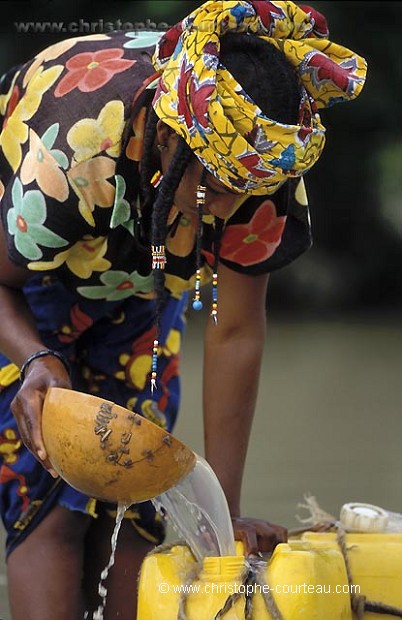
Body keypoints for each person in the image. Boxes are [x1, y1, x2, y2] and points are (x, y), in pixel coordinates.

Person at [0, 1, 366, 618]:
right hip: (27, 269)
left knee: (139, 491)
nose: (227, 215)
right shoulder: (72, 147)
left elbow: (236, 332)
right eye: (216, 193)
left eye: (241, 197)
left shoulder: (260, 161)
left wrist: (224, 523)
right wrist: (35, 359)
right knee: (50, 506)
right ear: (169, 139)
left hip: (143, 275)